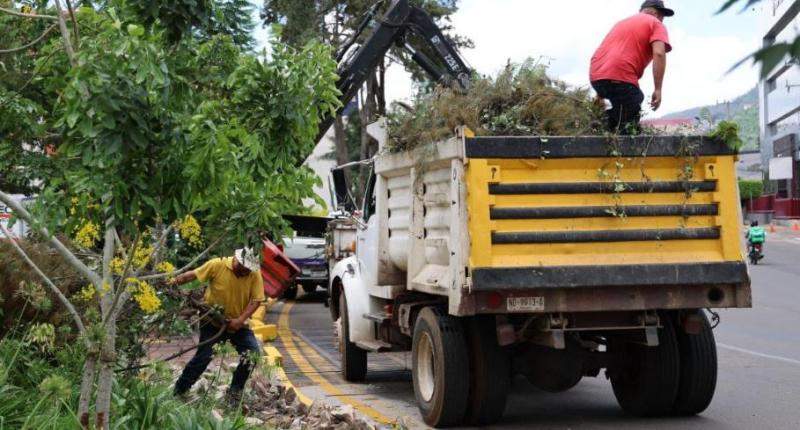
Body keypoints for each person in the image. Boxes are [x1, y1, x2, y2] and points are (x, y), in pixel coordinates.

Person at [170, 248, 265, 406]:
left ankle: (234, 392)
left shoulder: (254, 273)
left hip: (238, 324)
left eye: (249, 269)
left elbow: (256, 300)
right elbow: (194, 274)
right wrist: (172, 283)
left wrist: (240, 321)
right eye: (245, 269)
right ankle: (179, 391)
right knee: (203, 357)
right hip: (212, 322)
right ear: (237, 261)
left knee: (252, 354)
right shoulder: (217, 265)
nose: (247, 272)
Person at [590, 0, 674, 134]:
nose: (662, 19)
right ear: (653, 12)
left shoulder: (621, 23)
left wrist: (600, 92)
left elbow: (610, 55)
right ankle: (602, 125)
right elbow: (659, 53)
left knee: (624, 107)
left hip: (596, 76)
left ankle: (603, 128)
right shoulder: (655, 23)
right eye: (661, 15)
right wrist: (658, 89)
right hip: (619, 76)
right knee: (633, 104)